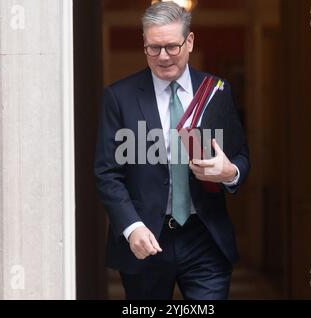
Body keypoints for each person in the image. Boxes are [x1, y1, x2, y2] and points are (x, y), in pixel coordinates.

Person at [95, 1, 250, 300]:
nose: (163, 57)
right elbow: (106, 172)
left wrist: (230, 172)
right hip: (146, 239)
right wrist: (131, 227)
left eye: (171, 47)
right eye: (154, 48)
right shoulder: (119, 97)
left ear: (189, 42)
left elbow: (242, 157)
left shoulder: (217, 90)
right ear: (144, 45)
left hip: (205, 237)